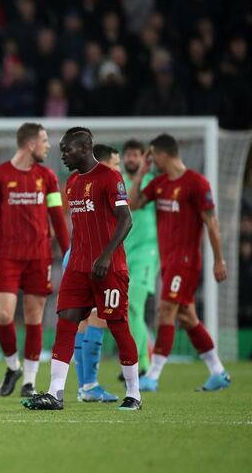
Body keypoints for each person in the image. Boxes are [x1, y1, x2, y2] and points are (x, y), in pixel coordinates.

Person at [22, 127, 141, 411]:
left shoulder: (110, 178)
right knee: (66, 320)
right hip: (78, 267)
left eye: (67, 150)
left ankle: (134, 394)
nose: (62, 155)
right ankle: (55, 392)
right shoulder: (72, 182)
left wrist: (106, 256)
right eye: (62, 149)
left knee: (117, 324)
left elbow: (126, 219)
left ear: (85, 148)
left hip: (108, 267)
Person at [0, 122, 70, 397]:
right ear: (30, 145)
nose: (48, 146)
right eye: (44, 140)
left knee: (33, 317)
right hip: (9, 258)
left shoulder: (47, 176)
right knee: (3, 315)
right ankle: (12, 365)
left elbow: (57, 217)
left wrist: (68, 252)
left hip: (40, 257)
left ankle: (29, 381)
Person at [128, 134, 231, 392]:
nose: (152, 160)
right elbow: (133, 203)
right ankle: (218, 371)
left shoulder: (197, 183)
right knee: (187, 317)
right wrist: (141, 172)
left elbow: (212, 224)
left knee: (166, 311)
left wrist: (219, 260)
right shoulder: (159, 183)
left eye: (153, 156)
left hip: (185, 261)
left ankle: (152, 375)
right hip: (167, 260)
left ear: (163, 154)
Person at [71, 144, 122, 403]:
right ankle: (89, 385)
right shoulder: (106, 184)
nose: (118, 168)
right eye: (115, 163)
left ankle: (85, 386)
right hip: (95, 259)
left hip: (76, 254)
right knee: (99, 319)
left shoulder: (76, 182)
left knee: (83, 321)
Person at [119, 139, 158, 378]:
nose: (132, 159)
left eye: (136, 155)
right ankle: (136, 362)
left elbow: (136, 203)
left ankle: (141, 364)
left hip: (146, 254)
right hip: (122, 252)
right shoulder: (117, 182)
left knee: (134, 305)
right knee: (127, 311)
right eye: (129, 155)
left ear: (144, 158)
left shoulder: (152, 183)